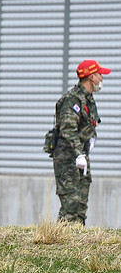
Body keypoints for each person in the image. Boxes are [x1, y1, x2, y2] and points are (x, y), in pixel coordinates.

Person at [52, 59, 110, 225]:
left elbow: (90, 124)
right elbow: (67, 130)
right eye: (100, 75)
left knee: (81, 205)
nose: (102, 78)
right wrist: (78, 154)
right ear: (92, 77)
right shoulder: (72, 100)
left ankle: (76, 241)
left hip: (81, 157)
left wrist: (91, 140)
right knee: (70, 205)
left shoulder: (88, 99)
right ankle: (62, 241)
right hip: (68, 158)